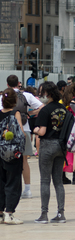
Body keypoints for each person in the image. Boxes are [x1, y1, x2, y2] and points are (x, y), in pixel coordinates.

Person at [2, 75, 43, 200]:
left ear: (7, 84)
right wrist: (30, 113)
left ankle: (9, 189)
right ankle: (28, 189)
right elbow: (41, 107)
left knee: (6, 162)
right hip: (24, 130)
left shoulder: (3, 97)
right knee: (24, 161)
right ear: (18, 83)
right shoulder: (27, 95)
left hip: (6, 133)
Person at [33, 82, 68, 223]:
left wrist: (35, 130)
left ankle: (44, 214)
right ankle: (61, 213)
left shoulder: (45, 110)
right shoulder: (63, 109)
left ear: (47, 93)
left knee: (45, 181)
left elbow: (42, 131)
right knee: (58, 181)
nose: (41, 96)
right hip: (61, 146)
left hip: (47, 145)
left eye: (42, 93)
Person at [0, 88, 26, 225]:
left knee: (1, 182)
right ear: (15, 100)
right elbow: (21, 133)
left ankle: (0, 213)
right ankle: (9, 213)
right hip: (12, 154)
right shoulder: (15, 113)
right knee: (13, 182)